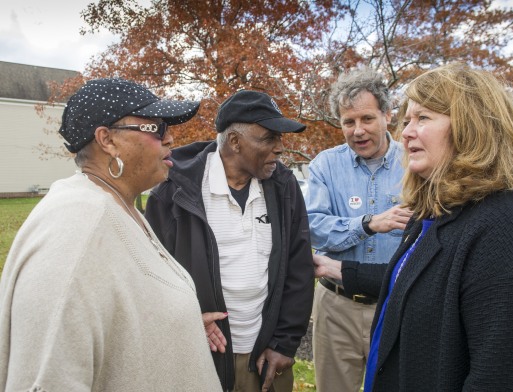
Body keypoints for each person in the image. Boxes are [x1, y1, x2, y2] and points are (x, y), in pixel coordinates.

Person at [0, 78, 224, 391]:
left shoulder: (118, 205)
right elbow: (47, 376)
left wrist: (176, 324)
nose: (170, 138)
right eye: (156, 129)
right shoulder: (75, 231)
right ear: (107, 140)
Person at [364, 62, 513, 391]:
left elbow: (499, 379)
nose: (405, 132)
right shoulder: (436, 213)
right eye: (407, 119)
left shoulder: (510, 228)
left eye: (423, 117)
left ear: (472, 126)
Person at [145, 90, 315, 392]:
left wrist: (285, 344)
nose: (280, 148)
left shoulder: (283, 185)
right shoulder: (174, 191)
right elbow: (150, 279)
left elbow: (298, 268)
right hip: (200, 354)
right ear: (235, 142)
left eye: (280, 138)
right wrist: (186, 322)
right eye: (268, 138)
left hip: (264, 358)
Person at [305, 67, 412, 392]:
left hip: (397, 306)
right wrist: (367, 224)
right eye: (348, 122)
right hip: (337, 306)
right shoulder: (325, 165)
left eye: (367, 119)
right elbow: (313, 228)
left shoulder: (414, 164)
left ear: (387, 115)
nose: (357, 130)